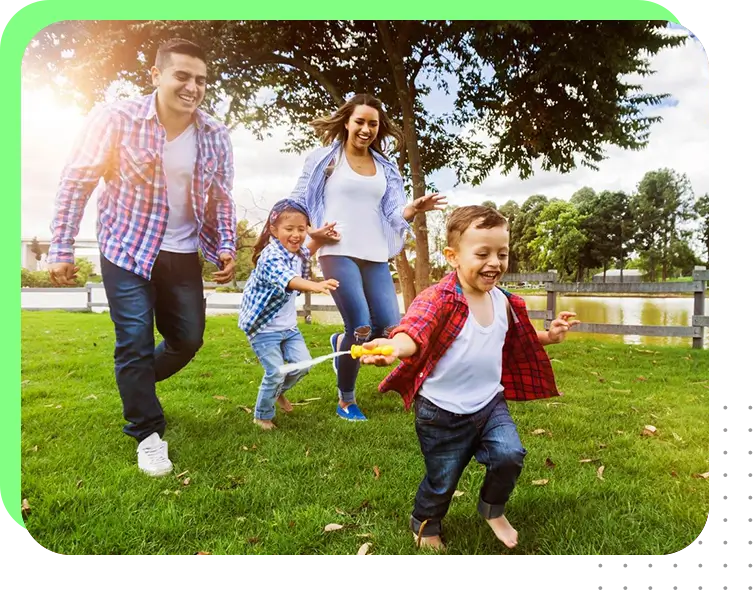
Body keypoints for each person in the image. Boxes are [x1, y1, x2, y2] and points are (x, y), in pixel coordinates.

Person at [46, 38, 238, 477]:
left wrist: (225, 243)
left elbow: (221, 199)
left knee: (187, 340)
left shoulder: (215, 134)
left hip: (183, 251)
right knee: (133, 339)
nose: (193, 87)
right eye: (182, 76)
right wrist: (61, 246)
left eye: (201, 80)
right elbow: (76, 181)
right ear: (156, 75)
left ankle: (134, 384)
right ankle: (147, 432)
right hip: (127, 247)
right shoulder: (116, 118)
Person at [361, 205, 580, 550]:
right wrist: (394, 347)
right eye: (483, 253)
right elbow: (414, 331)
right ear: (452, 256)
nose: (495, 262)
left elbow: (516, 337)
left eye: (502, 253)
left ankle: (492, 509)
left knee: (510, 454)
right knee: (442, 479)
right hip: (440, 412)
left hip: (489, 403)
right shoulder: (439, 298)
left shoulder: (504, 302)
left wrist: (549, 336)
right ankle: (426, 524)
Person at [291, 93, 447, 422]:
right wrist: (310, 233)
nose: (366, 129)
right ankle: (346, 400)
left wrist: (414, 208)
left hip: (375, 251)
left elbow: (393, 211)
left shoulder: (385, 167)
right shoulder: (325, 159)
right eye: (360, 121)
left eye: (373, 124)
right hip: (337, 250)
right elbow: (298, 199)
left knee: (391, 328)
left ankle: (341, 343)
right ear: (346, 122)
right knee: (361, 327)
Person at [238, 199, 339, 430]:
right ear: (274, 231)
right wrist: (315, 285)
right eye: (289, 229)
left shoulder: (296, 251)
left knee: (303, 365)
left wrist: (319, 237)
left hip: (288, 328)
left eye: (301, 229)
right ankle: (262, 416)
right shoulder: (270, 256)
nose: (296, 235)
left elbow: (307, 249)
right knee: (275, 372)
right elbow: (289, 279)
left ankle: (277, 391)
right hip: (263, 329)